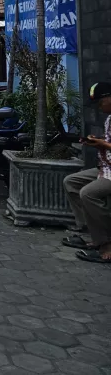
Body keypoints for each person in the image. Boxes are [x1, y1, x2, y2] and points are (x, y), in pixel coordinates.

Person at [63, 82, 111, 263]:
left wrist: (102, 144)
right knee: (71, 182)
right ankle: (92, 233)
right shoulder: (109, 119)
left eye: (100, 102)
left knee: (88, 193)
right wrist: (98, 141)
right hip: (105, 168)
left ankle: (107, 243)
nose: (99, 107)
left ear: (108, 98)